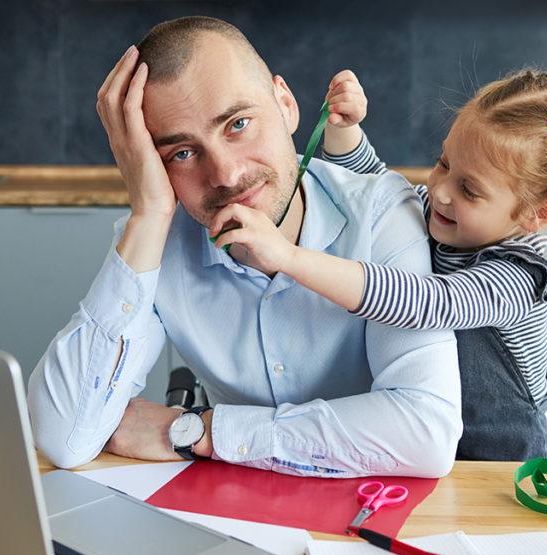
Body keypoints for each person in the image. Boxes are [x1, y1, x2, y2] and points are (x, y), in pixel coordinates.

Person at [27, 16, 462, 478]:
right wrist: (149, 214)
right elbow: (63, 437)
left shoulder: (382, 215)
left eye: (238, 124)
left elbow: (426, 433)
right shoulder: (157, 240)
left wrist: (202, 432)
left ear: (286, 105)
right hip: (232, 518)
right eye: (182, 153)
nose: (227, 176)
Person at [211, 69, 547, 460]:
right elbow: (381, 193)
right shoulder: (447, 213)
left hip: (502, 463)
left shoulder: (519, 276)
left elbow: (429, 302)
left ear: (536, 216)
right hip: (428, 450)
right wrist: (345, 130)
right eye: (443, 163)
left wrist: (290, 258)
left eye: (469, 189)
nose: (440, 191)